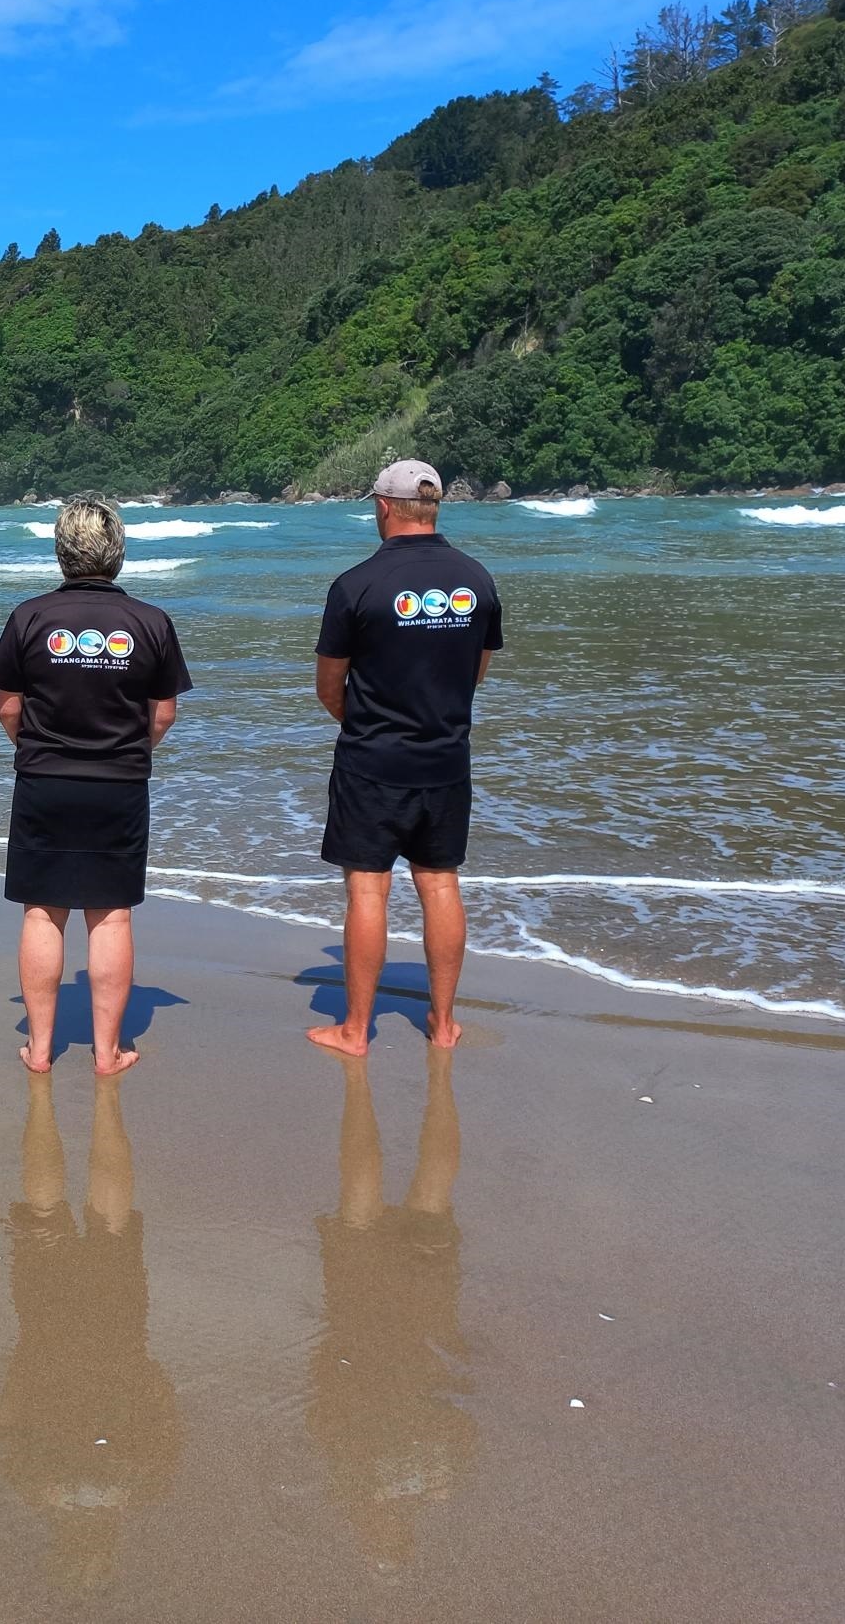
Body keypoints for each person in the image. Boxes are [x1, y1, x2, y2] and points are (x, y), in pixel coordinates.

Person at [0, 495, 191, 1076]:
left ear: (61, 552)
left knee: (42, 913)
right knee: (112, 915)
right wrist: (129, 752)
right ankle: (108, 1052)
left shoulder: (30, 617)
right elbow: (164, 713)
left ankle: (41, 1049)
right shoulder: (151, 622)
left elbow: (7, 708)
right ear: (118, 553)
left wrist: (35, 748)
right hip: (119, 783)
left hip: (44, 779)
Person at [309, 459, 503, 1055]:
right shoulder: (477, 579)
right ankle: (443, 1025)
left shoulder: (357, 584)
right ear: (434, 506)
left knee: (369, 891)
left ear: (386, 507)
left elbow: (328, 686)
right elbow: (476, 672)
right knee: (440, 885)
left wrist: (369, 723)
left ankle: (354, 1029)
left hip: (374, 760)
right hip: (446, 758)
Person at [0, 1073, 181, 1592]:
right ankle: (89, 1084)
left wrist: (149, 1375)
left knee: (100, 1228)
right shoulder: (37, 1486)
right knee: (57, 1220)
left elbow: (165, 1420)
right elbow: (10, 1415)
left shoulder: (136, 1488)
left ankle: (50, 1081)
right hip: (58, 1341)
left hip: (104, 1344)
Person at [306, 1046, 473, 1568]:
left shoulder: (386, 1478)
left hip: (381, 1329)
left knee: (386, 1207)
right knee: (416, 1208)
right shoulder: (428, 1483)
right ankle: (440, 1047)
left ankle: (363, 1080)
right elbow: (460, 1421)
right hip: (408, 1326)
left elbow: (323, 1408)